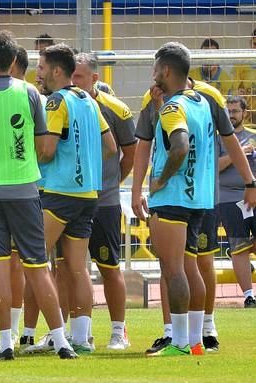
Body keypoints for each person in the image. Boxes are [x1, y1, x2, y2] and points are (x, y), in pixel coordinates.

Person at [0, 31, 79, 360]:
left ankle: (6, 343)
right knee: (37, 266)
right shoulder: (29, 93)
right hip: (24, 189)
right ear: (14, 61)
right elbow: (43, 145)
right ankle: (61, 341)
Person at [132, 42, 256, 357]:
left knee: (173, 270)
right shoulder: (199, 101)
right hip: (199, 197)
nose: (153, 74)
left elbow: (180, 145)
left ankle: (179, 342)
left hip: (173, 196)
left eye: (156, 68)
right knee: (192, 267)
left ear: (166, 70)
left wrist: (158, 180)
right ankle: (196, 339)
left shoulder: (174, 106)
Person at [36, 43, 116, 355]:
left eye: (42, 68)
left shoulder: (57, 101)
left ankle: (55, 336)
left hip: (60, 193)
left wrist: (33, 161)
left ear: (57, 71)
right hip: (88, 194)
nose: (39, 74)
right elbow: (110, 146)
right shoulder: (89, 100)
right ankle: (81, 337)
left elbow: (48, 150)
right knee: (77, 268)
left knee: (33, 259)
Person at [70, 52, 137, 349]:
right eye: (71, 75)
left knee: (108, 267)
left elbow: (130, 154)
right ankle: (76, 332)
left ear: (95, 78)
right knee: (68, 267)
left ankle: (118, 330)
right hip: (69, 199)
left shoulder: (116, 110)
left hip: (104, 202)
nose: (74, 81)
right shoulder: (60, 104)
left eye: (79, 77)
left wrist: (111, 184)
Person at [219, 96, 256, 308]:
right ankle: (249, 296)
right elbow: (214, 167)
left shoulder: (253, 136)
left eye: (235, 111)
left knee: (242, 247)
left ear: (244, 113)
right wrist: (238, 154)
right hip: (229, 199)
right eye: (228, 111)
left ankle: (241, 251)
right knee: (239, 246)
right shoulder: (217, 139)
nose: (231, 115)